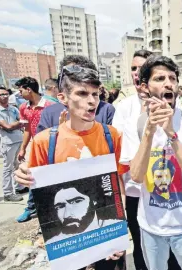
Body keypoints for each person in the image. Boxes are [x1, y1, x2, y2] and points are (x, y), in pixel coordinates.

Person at [14, 63, 127, 270]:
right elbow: (32, 179)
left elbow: (119, 187)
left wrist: (120, 234)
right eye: (82, 93)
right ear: (63, 98)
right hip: (67, 243)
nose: (91, 100)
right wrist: (22, 175)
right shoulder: (45, 141)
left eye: (95, 94)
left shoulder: (111, 135)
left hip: (105, 235)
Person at [121, 55, 182, 270]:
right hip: (151, 227)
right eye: (160, 78)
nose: (168, 83)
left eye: (172, 78)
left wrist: (171, 133)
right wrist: (150, 132)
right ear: (145, 87)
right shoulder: (135, 126)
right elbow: (137, 176)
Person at [17, 55, 114, 224]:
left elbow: (118, 173)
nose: (90, 101)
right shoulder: (49, 116)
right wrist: (26, 171)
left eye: (93, 94)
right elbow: (39, 161)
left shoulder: (107, 116)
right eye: (69, 77)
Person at [112, 49, 154, 270]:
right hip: (134, 192)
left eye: (143, 68)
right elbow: (120, 154)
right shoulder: (124, 108)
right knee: (138, 244)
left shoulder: (167, 106)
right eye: (134, 68)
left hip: (161, 189)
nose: (137, 73)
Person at [0, 86, 26, 202]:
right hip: (8, 143)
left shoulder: (13, 108)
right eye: (1, 94)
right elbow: (7, 127)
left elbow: (23, 120)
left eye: (6, 94)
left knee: (18, 166)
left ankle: (19, 187)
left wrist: (18, 124)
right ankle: (8, 193)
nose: (5, 96)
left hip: (19, 139)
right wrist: (19, 124)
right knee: (8, 168)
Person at [16, 77, 55, 164]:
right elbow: (27, 129)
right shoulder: (23, 108)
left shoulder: (50, 106)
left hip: (52, 146)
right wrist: (23, 149)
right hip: (37, 146)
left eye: (21, 91)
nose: (20, 94)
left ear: (29, 90)